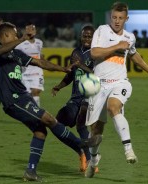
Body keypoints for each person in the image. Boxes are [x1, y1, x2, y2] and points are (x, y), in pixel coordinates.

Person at [0, 22, 102, 182]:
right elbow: (0, 51)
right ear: (6, 35)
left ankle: (30, 171)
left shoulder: (15, 53)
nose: (16, 36)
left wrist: (63, 69)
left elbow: (40, 63)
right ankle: (81, 145)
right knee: (48, 118)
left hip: (23, 96)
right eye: (14, 34)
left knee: (41, 131)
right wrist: (22, 39)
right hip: (12, 100)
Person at [84, 2, 148, 178]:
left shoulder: (130, 36)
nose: (117, 21)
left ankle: (128, 150)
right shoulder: (102, 31)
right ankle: (94, 160)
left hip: (120, 82)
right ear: (110, 17)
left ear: (127, 18)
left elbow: (133, 54)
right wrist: (117, 46)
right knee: (96, 132)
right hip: (98, 85)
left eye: (120, 18)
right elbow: (94, 53)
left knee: (114, 108)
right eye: (114, 17)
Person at [51, 25, 98, 173]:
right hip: (75, 97)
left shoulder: (97, 54)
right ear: (80, 37)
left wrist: (81, 65)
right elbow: (72, 74)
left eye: (90, 36)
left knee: (81, 125)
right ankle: (81, 151)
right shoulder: (76, 52)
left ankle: (91, 161)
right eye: (84, 36)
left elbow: (97, 75)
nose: (86, 39)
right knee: (56, 122)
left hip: (90, 97)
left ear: (94, 38)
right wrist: (59, 86)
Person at [15, 23, 44, 106]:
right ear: (25, 31)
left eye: (32, 29)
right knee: (27, 95)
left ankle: (37, 112)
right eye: (28, 29)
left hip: (37, 71)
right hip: (25, 72)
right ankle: (29, 112)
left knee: (36, 91)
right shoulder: (20, 44)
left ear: (35, 31)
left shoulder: (39, 42)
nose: (30, 31)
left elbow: (40, 55)